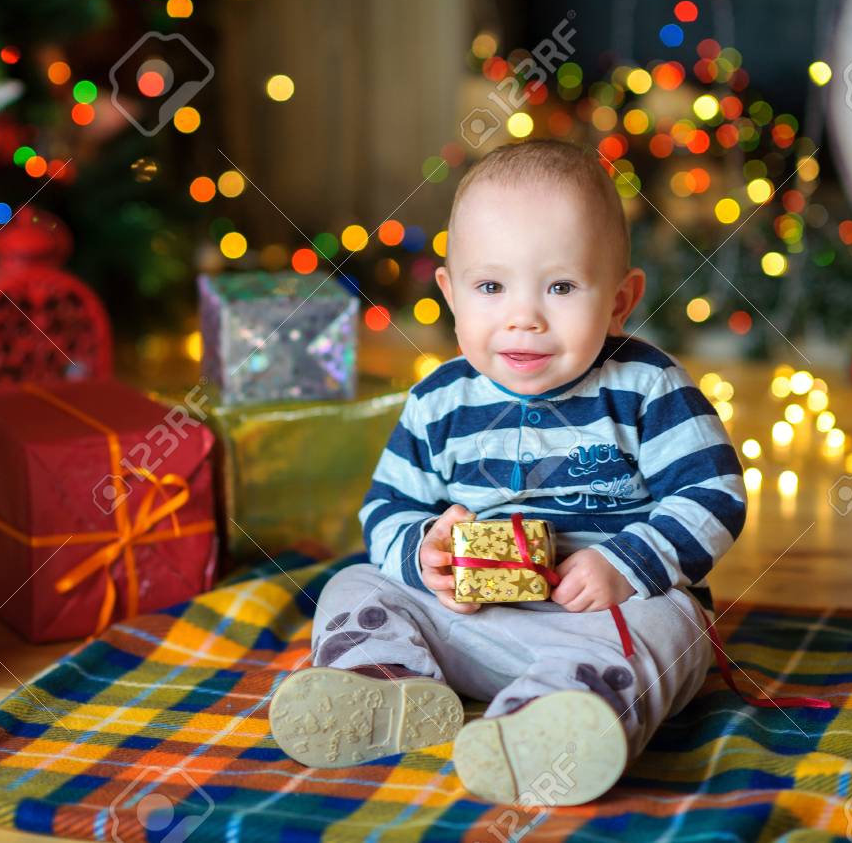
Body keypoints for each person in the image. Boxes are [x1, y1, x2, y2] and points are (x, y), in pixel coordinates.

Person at [268, 139, 747, 806]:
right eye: (491, 287)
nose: (524, 318)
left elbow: (713, 492)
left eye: (560, 287)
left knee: (674, 625)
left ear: (620, 299)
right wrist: (425, 555)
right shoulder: (438, 401)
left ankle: (558, 720)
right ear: (450, 294)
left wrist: (626, 564)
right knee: (355, 581)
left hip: (604, 624)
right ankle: (387, 681)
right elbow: (387, 508)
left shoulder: (645, 386)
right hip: (468, 625)